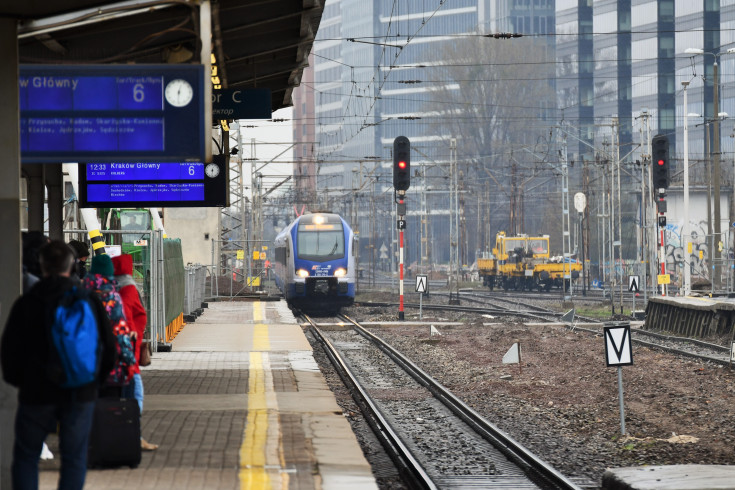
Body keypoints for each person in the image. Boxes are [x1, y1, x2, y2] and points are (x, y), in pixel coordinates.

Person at [1, 240, 116, 490]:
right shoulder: (88, 300)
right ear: (72, 266)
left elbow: (9, 351)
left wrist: (20, 381)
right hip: (80, 390)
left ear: (42, 266)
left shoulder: (27, 303)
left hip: (36, 392)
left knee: (26, 456)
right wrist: (95, 382)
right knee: (74, 457)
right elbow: (109, 347)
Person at [113, 253, 158, 451]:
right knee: (135, 394)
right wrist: (133, 336)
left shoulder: (108, 288)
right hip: (127, 352)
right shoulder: (128, 289)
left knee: (119, 395)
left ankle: (122, 435)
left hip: (113, 353)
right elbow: (128, 318)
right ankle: (134, 437)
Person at [83, 254, 136, 391]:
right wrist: (129, 359)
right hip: (109, 364)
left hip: (84, 362)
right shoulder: (112, 298)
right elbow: (120, 332)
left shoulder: (79, 293)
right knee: (110, 407)